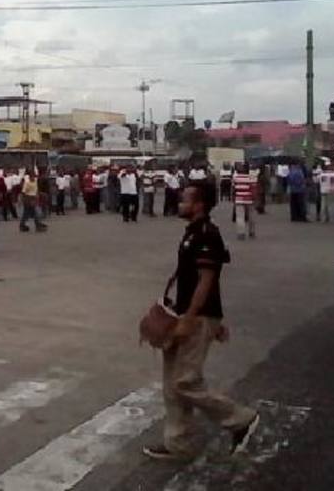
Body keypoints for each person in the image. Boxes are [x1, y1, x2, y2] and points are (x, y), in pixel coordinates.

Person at [142, 180, 259, 462]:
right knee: (172, 385)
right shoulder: (192, 233)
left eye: (185, 200)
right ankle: (179, 445)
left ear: (199, 205)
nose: (180, 204)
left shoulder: (207, 235)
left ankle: (240, 419)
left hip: (194, 316)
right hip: (186, 314)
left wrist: (195, 319)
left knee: (185, 381)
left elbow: (207, 281)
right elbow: (192, 279)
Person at [232, 163, 256, 239]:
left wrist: (233, 198)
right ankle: (251, 232)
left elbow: (233, 189)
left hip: (239, 199)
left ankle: (241, 233)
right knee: (251, 216)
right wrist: (254, 198)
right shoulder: (251, 177)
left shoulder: (235, 178)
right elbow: (253, 189)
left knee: (240, 217)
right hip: (249, 199)